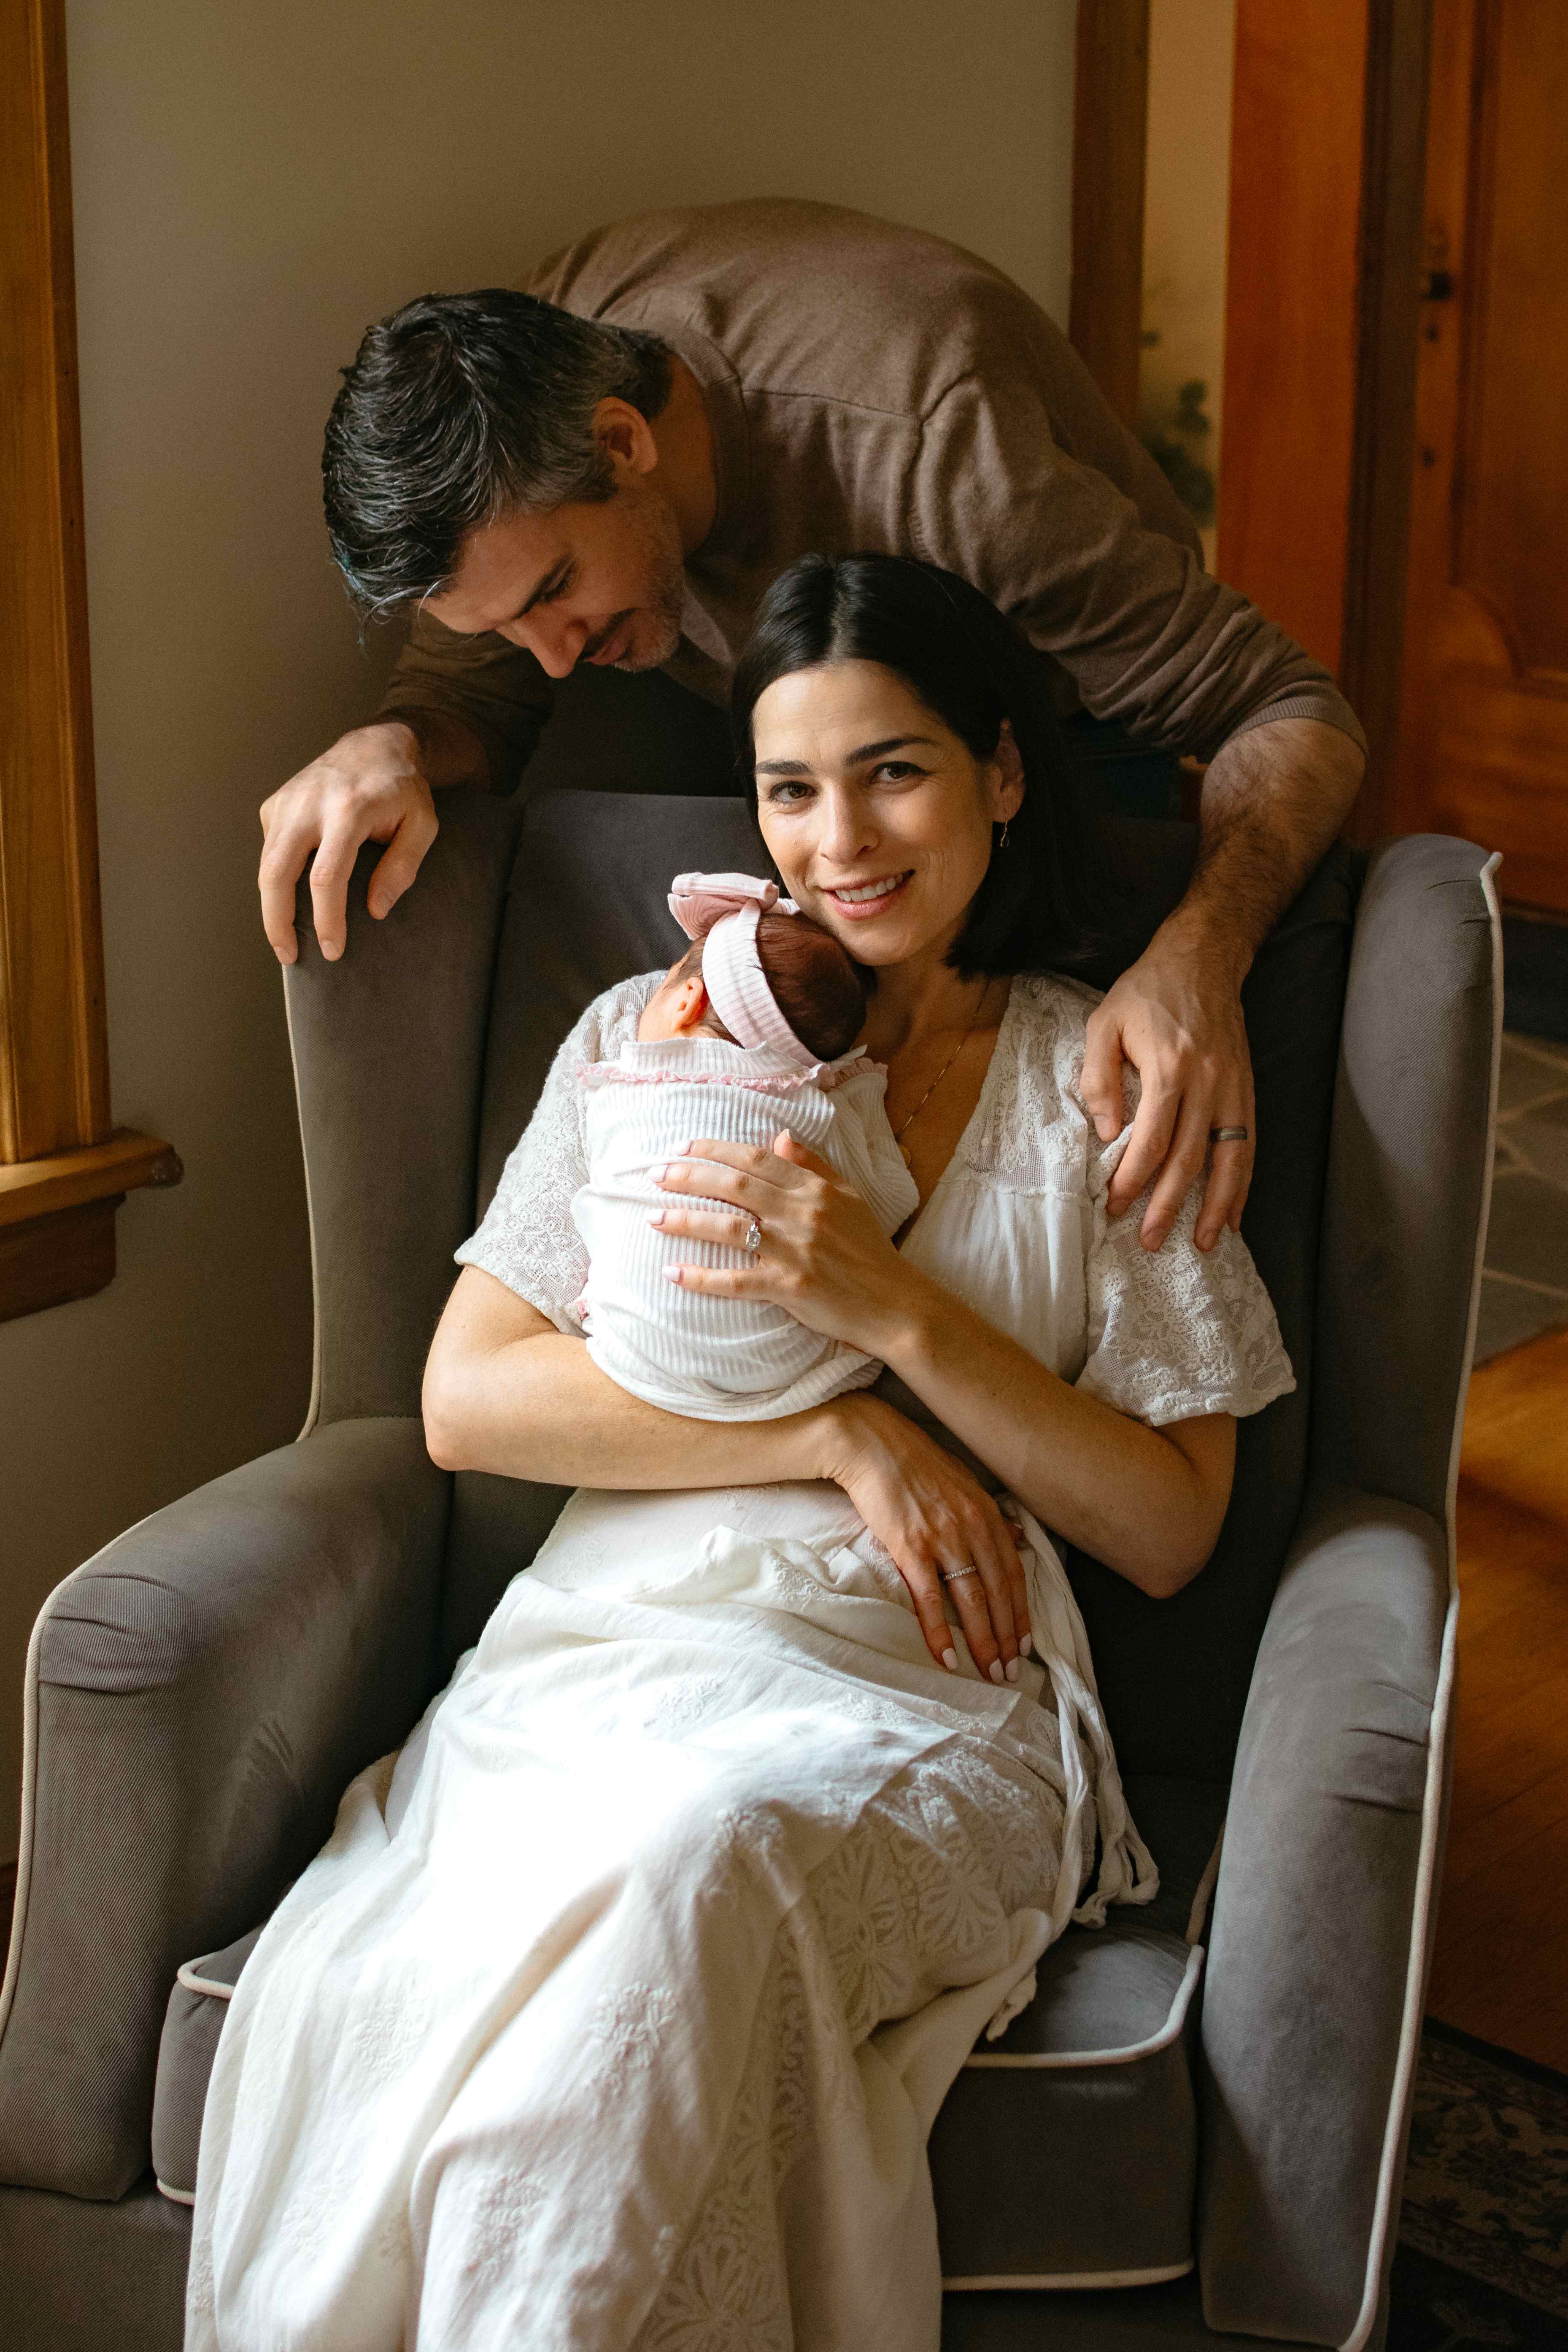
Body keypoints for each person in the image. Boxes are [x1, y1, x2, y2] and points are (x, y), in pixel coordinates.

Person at [190, 557, 1294, 2351]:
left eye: (893, 770)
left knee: (693, 1861)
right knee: (565, 1944)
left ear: (1002, 775)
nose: (835, 838)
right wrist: (831, 1429)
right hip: (608, 1657)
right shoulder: (646, 1037)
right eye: (788, 788)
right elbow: (469, 1400)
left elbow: (1169, 1527)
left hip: (916, 1691)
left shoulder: (1097, 1077)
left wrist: (895, 1312)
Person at [258, 198, 1369, 1256]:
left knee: (1065, 1162)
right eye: (505, 627)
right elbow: (477, 701)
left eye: (554, 594)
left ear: (621, 441)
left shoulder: (946, 458)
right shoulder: (514, 400)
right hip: (801, 722)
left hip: (1066, 734)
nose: (550, 659)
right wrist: (394, 742)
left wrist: (1196, 960)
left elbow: (1287, 708)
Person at [570, 869, 923, 1423]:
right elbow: (889, 1202)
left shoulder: (615, 1087)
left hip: (632, 1358)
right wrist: (864, 1103)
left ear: (688, 999)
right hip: (784, 1378)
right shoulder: (812, 1113)